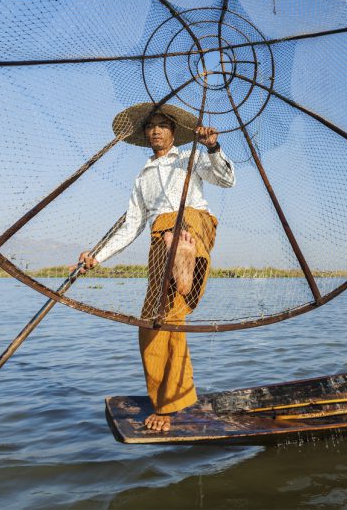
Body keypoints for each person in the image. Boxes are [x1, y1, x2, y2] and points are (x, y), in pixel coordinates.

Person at [77, 102, 235, 431]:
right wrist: (97, 256)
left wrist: (213, 148)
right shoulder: (142, 177)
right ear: (146, 134)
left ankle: (183, 259)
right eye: (151, 126)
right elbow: (130, 227)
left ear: (174, 132)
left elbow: (226, 179)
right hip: (160, 245)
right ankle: (171, 397)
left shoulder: (190, 158)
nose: (156, 130)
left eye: (163, 125)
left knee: (176, 228)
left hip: (194, 225)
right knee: (153, 323)